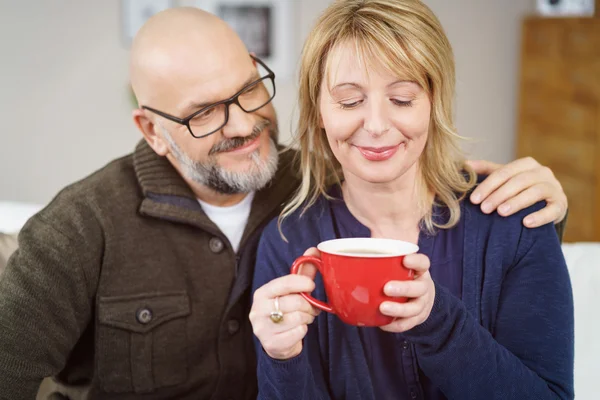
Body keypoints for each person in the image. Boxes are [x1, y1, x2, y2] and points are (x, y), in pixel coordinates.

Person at [0, 6, 568, 400]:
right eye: (204, 112)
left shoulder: (303, 179)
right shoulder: (80, 227)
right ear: (152, 130)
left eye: (249, 88)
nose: (246, 123)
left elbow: (394, 161)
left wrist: (538, 201)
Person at [250, 1, 574, 399]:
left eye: (402, 98)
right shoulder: (286, 241)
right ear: (319, 110)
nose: (376, 125)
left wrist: (436, 321)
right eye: (350, 101)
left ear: (434, 101)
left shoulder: (513, 223)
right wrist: (281, 358)